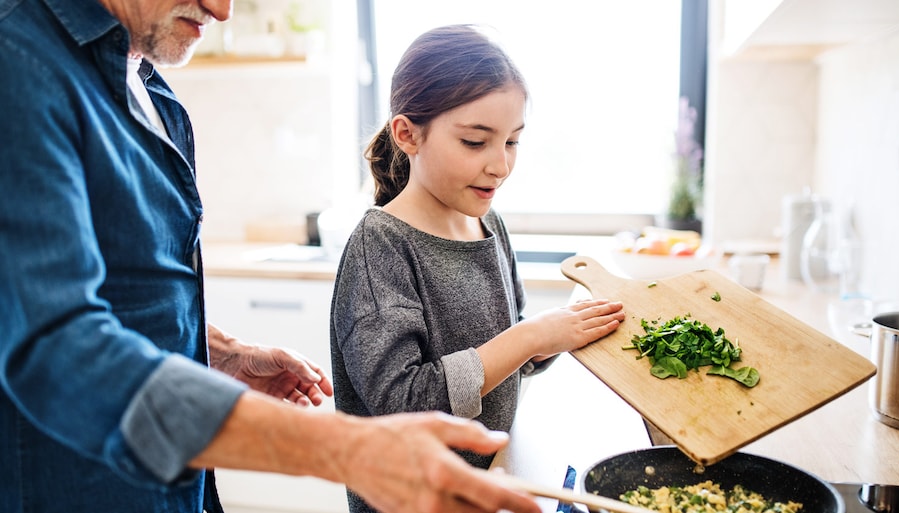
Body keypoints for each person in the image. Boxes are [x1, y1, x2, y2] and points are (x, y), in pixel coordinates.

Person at [0, 1, 543, 513]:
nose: (222, 10)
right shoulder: (17, 65)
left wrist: (213, 352)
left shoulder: (142, 78)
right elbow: (58, 347)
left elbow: (109, 296)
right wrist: (341, 447)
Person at [330, 25, 626, 513]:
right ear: (408, 134)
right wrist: (530, 338)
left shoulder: (489, 226)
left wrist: (557, 333)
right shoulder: (379, 245)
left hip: (485, 486)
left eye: (512, 142)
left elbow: (508, 355)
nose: (501, 165)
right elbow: (403, 403)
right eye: (475, 141)